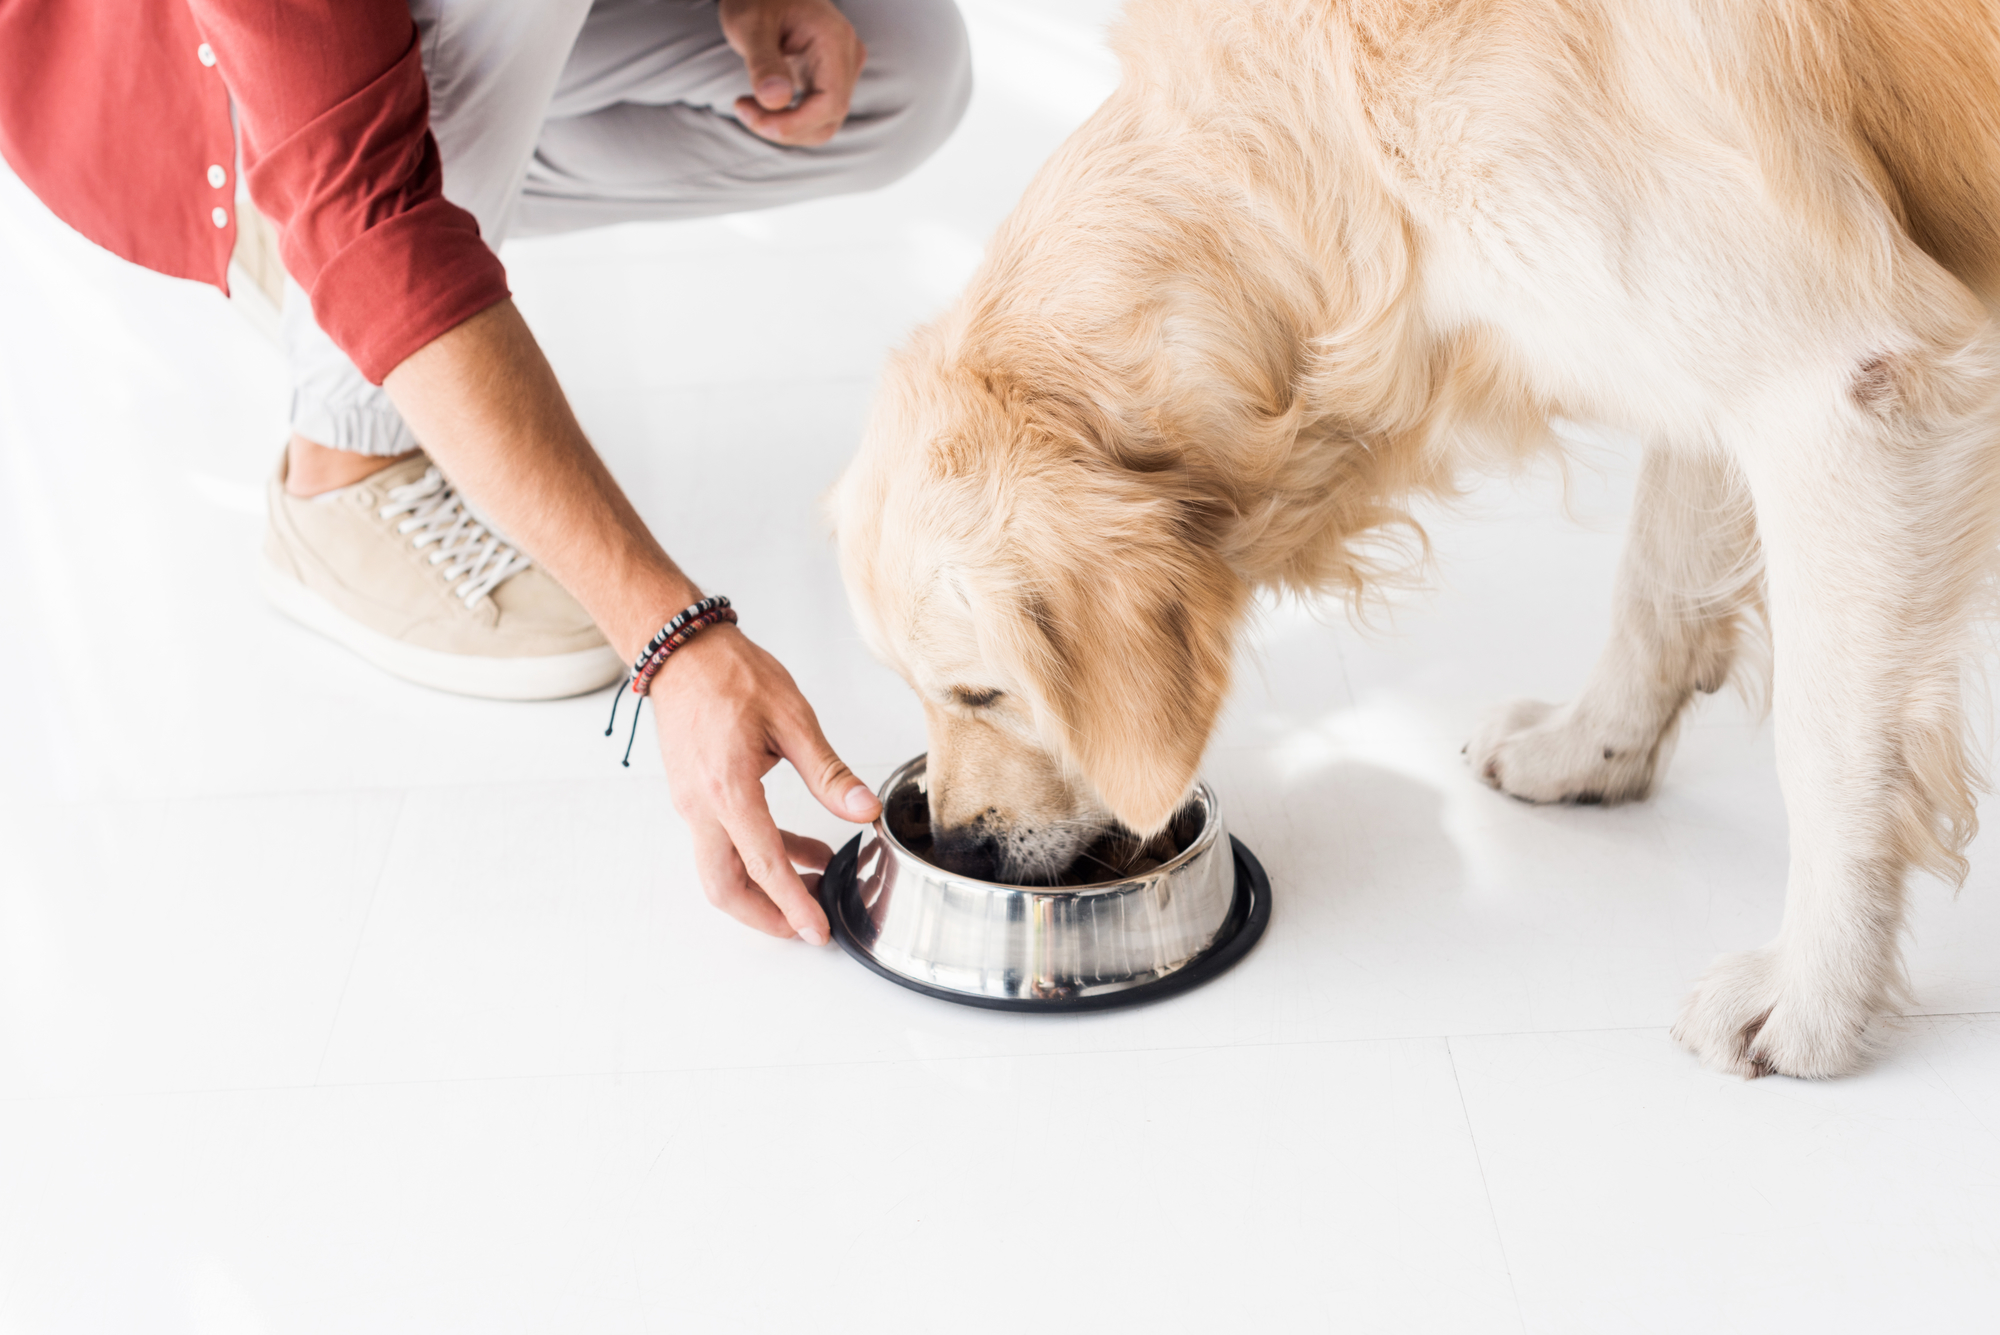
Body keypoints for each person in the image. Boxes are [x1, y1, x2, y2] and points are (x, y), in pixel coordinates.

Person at [0, 0, 972, 945]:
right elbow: (371, 215)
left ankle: (357, 220)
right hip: (186, 85)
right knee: (392, 163)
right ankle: (343, 449)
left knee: (899, 68)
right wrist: (670, 635)